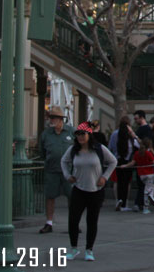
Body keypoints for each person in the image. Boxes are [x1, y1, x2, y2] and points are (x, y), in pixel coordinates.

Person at [61, 122, 117, 261]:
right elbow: (63, 161)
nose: (80, 137)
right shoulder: (74, 150)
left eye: (83, 134)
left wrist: (104, 177)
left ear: (89, 135)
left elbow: (113, 161)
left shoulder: (99, 149)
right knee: (73, 220)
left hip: (95, 190)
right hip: (79, 189)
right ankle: (73, 248)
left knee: (92, 221)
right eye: (78, 134)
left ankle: (89, 249)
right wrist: (68, 176)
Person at [37, 106, 75, 233]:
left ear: (60, 119)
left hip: (69, 170)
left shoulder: (70, 132)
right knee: (50, 196)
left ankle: (73, 223)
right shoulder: (46, 134)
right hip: (52, 169)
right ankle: (49, 222)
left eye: (53, 118)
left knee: (72, 196)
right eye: (50, 117)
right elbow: (42, 151)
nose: (51, 120)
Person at [123, 135, 154, 213]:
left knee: (142, 188)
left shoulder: (137, 153)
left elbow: (132, 163)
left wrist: (125, 166)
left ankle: (139, 203)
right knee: (149, 189)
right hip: (149, 173)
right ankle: (147, 205)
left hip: (140, 174)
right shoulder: (148, 153)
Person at [109, 115, 139, 211]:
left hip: (117, 159)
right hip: (128, 160)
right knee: (126, 183)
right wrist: (133, 134)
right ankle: (124, 203)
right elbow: (139, 145)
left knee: (119, 182)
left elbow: (110, 147)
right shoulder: (130, 136)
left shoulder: (114, 134)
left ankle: (119, 200)